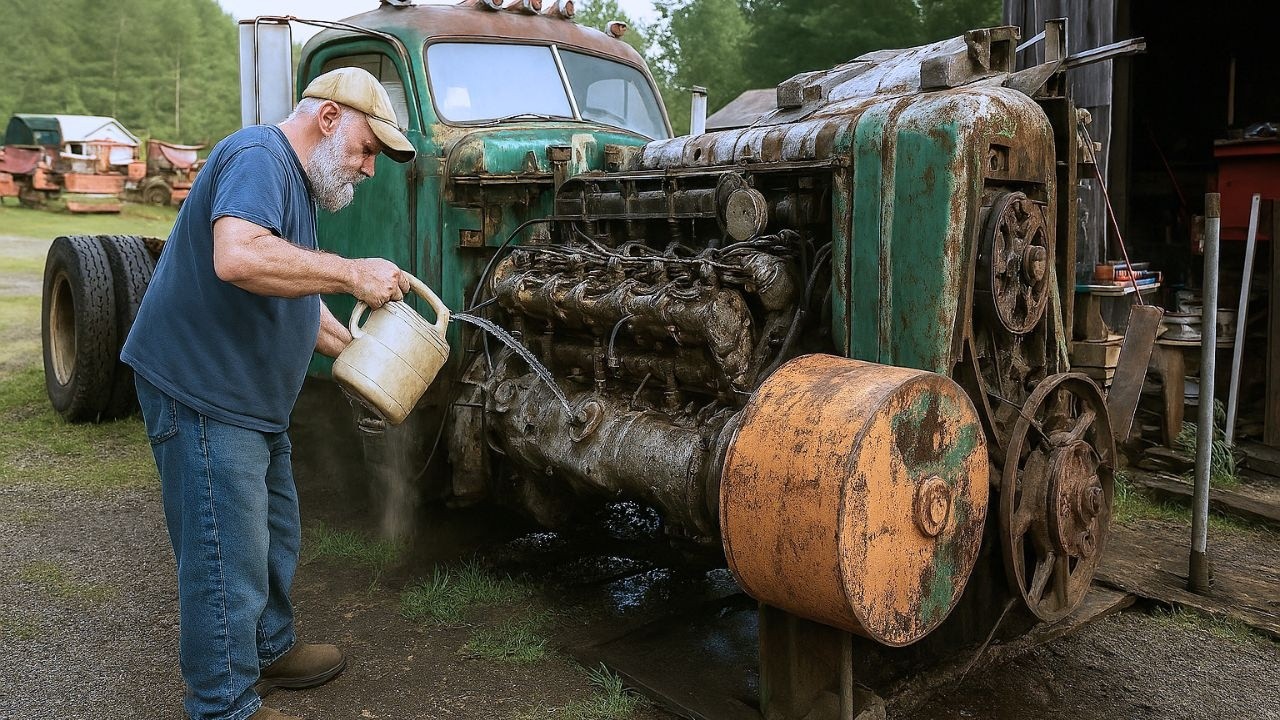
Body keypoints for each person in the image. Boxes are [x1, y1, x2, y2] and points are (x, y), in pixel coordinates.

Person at [121, 67, 416, 720]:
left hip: (251, 400)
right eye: (369, 149)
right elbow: (240, 257)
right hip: (202, 391)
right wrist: (350, 271)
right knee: (224, 554)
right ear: (331, 117)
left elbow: (298, 302)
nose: (369, 169)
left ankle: (268, 650)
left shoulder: (298, 188)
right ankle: (223, 702)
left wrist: (364, 351)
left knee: (272, 533)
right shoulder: (259, 155)